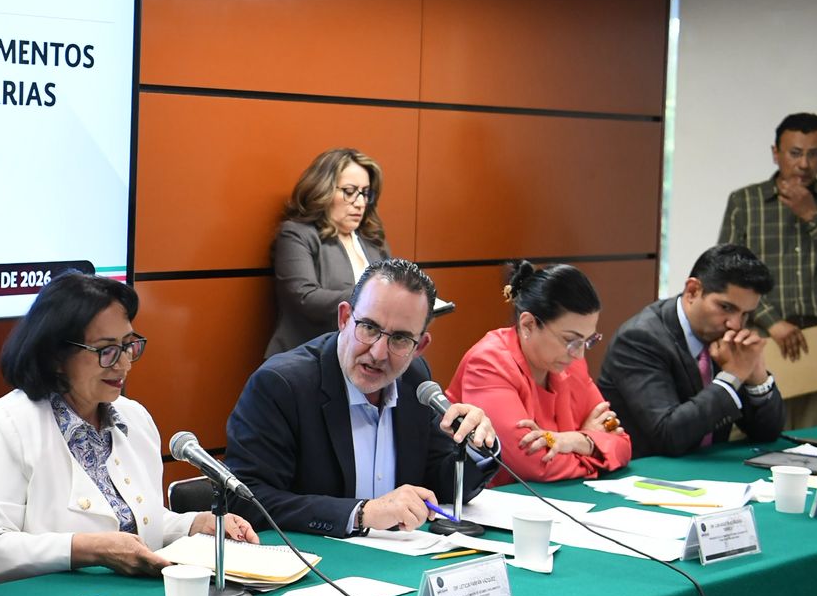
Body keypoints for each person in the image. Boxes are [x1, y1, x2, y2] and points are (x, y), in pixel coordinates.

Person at [0, 272, 257, 596]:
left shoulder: (134, 418)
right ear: (56, 355)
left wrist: (194, 525)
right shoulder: (5, 424)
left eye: (128, 346)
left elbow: (129, 521)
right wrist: (91, 549)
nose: (124, 364)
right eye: (106, 350)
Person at [227, 259, 497, 536]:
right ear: (344, 318)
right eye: (369, 327)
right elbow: (245, 499)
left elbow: (441, 484)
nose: (378, 353)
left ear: (420, 347)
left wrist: (475, 445)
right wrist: (360, 513)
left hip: (400, 553)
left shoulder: (415, 380)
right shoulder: (282, 385)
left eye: (400, 339)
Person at [718, 112, 817, 428]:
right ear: (776, 153)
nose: (804, 164)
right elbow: (727, 272)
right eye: (795, 153)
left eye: (814, 154)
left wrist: (813, 216)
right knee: (753, 434)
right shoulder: (746, 201)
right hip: (761, 334)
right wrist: (772, 322)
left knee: (812, 437)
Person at [447, 262, 631, 483]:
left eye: (587, 340)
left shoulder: (570, 364)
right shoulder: (488, 364)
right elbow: (533, 466)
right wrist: (595, 447)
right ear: (528, 325)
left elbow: (622, 443)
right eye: (570, 340)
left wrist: (576, 440)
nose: (579, 354)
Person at [598, 244, 786, 457]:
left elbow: (767, 434)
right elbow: (668, 435)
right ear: (693, 291)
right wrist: (732, 377)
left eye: (745, 314)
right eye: (726, 307)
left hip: (707, 469)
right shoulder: (639, 339)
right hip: (645, 469)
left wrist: (757, 380)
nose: (735, 324)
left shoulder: (725, 339)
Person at [266, 148, 392, 357]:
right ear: (323, 190)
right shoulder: (296, 233)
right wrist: (371, 296)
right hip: (305, 358)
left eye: (365, 193)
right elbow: (305, 297)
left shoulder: (373, 239)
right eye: (350, 192)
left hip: (363, 358)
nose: (360, 203)